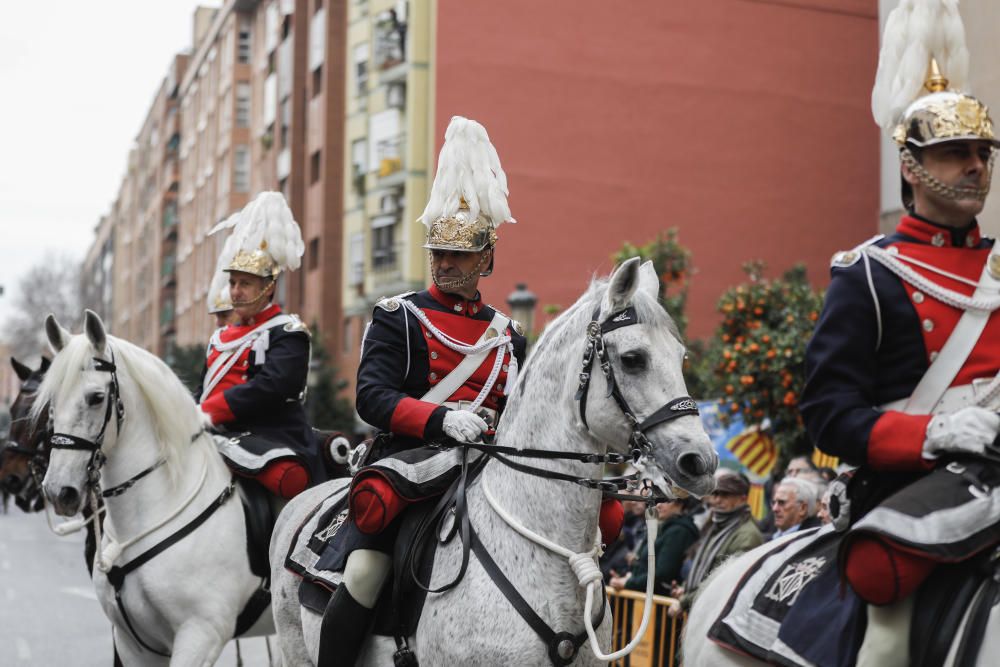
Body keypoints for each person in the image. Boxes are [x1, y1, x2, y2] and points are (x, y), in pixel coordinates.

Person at [800, 2, 1000, 661]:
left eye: (981, 150)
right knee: (885, 623)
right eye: (953, 152)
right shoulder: (867, 274)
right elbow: (829, 416)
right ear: (911, 166)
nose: (975, 165)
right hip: (912, 488)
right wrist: (933, 433)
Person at [316, 116, 532, 665]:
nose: (446, 264)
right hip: (410, 463)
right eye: (438, 253)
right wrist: (439, 421)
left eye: (459, 255)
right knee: (366, 574)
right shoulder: (400, 316)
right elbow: (372, 397)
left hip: (487, 468)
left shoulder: (508, 333)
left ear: (487, 258)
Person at [196, 192, 321, 500]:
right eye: (233, 283)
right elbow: (204, 390)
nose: (236, 292)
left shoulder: (288, 332)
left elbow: (271, 388)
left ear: (269, 288)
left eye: (245, 284)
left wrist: (206, 412)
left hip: (270, 438)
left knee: (286, 482)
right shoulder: (219, 338)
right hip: (214, 433)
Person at [669, 471, 763, 617]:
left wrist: (684, 602)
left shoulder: (747, 535)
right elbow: (703, 569)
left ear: (743, 499)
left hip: (720, 616)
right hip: (704, 612)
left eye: (725, 495)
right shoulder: (717, 526)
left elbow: (723, 583)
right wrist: (685, 589)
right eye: (715, 494)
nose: (717, 500)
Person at [609, 497, 699, 596]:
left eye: (666, 501)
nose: (659, 505)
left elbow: (662, 574)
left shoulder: (679, 532)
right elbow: (643, 565)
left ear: (680, 503)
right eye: (657, 501)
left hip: (656, 600)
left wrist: (629, 583)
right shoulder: (662, 526)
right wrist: (626, 576)